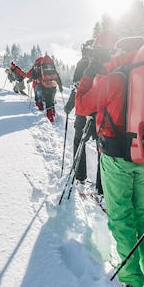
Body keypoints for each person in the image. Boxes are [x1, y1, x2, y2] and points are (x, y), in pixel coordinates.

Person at [76, 37, 144, 287]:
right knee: (142, 215)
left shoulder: (115, 78)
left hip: (116, 158)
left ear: (122, 51)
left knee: (121, 217)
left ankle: (131, 277)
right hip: (141, 156)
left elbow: (82, 105)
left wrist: (90, 71)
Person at [64, 39, 96, 187]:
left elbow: (77, 88)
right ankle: (101, 189)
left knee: (79, 140)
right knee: (103, 148)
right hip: (101, 110)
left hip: (83, 110)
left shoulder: (82, 64)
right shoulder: (106, 64)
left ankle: (80, 176)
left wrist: (69, 106)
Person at [11, 54, 62, 122]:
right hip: (52, 85)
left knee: (41, 101)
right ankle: (53, 114)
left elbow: (29, 75)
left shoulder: (37, 66)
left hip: (40, 86)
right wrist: (60, 86)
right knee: (51, 100)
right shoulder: (48, 65)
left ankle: (47, 116)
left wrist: (15, 69)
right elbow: (57, 76)